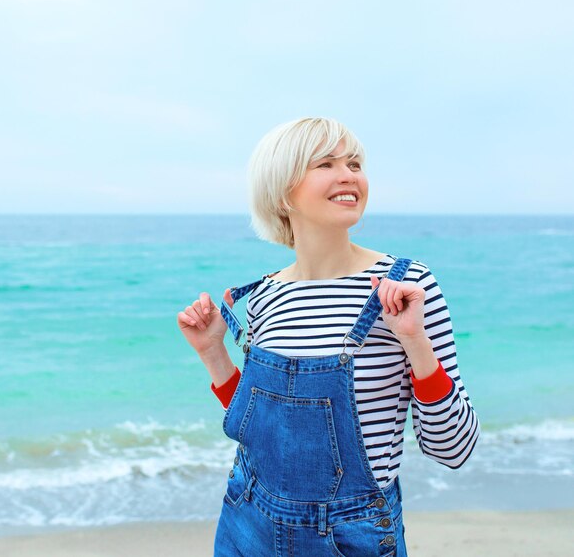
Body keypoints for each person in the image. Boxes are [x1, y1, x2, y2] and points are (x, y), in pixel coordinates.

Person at [176, 117, 480, 556]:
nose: (349, 175)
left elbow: (454, 448)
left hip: (349, 535)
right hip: (246, 518)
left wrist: (416, 342)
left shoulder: (408, 285)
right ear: (282, 191)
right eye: (326, 164)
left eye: (355, 163)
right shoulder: (263, 297)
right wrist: (212, 354)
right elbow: (261, 428)